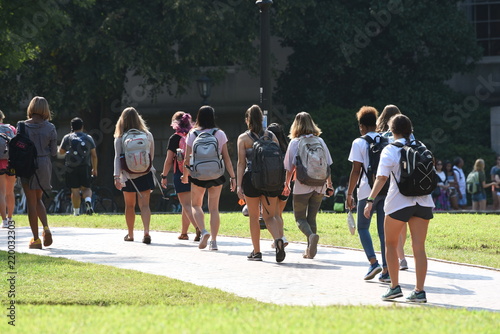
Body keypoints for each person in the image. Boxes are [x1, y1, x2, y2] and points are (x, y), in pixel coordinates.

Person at [364, 114, 434, 303]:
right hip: (424, 202)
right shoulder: (421, 146)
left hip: (399, 202)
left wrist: (370, 200)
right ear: (410, 129)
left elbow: (381, 178)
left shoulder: (390, 149)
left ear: (391, 130)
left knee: (391, 244)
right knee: (419, 247)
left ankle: (394, 287)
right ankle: (419, 291)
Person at [182, 105, 236, 251]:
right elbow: (226, 158)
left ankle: (203, 231)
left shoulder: (192, 134)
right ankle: (214, 242)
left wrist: (185, 175)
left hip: (198, 174)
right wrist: (233, 177)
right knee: (214, 208)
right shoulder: (219, 133)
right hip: (216, 174)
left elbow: (187, 159)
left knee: (196, 205)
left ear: (198, 117)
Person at [236, 107, 285, 262]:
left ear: (247, 120)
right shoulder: (271, 136)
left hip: (251, 180)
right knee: (270, 216)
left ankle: (257, 252)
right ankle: (278, 239)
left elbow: (241, 163)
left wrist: (239, 186)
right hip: (270, 180)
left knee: (254, 217)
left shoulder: (243, 139)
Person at [346, 106, 389, 282]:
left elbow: (355, 171)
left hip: (366, 191)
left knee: (363, 227)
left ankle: (373, 262)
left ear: (362, 126)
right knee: (383, 232)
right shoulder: (386, 141)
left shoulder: (359, 142)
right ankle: (387, 270)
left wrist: (349, 194)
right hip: (385, 190)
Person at [284, 112, 333, 259]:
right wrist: (329, 184)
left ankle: (311, 237)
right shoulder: (320, 141)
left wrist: (286, 184)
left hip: (302, 185)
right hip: (319, 185)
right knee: (312, 218)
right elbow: (328, 165)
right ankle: (310, 251)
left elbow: (289, 167)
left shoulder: (295, 143)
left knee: (299, 218)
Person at [375, 104, 411, 271]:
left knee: (389, 223)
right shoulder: (410, 137)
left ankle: (396, 258)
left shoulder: (379, 136)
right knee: (403, 223)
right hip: (406, 181)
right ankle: (401, 255)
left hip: (386, 181)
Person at [113, 107, 155, 244]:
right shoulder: (147, 135)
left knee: (129, 206)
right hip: (145, 173)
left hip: (127, 175)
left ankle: (130, 234)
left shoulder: (120, 138)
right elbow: (151, 156)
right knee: (145, 205)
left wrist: (116, 177)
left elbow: (117, 158)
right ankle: (146, 232)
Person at [21, 97, 58, 249]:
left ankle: (36, 239)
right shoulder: (51, 127)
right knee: (38, 199)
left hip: (27, 166)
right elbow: (54, 152)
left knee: (31, 202)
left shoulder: (22, 126)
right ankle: (46, 228)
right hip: (44, 165)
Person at [160, 111, 200, 241]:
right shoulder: (194, 135)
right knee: (188, 204)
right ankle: (184, 233)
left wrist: (164, 176)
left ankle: (199, 228)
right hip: (195, 173)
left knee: (187, 204)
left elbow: (168, 160)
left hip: (181, 174)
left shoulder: (175, 138)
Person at [58, 117, 98, 216]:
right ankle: (88, 200)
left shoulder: (67, 137)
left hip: (71, 167)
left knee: (75, 190)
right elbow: (94, 155)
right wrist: (94, 169)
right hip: (85, 166)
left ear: (72, 127)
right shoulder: (88, 138)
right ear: (82, 127)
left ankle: (76, 212)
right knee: (87, 188)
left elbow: (61, 152)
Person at [267, 122, 290, 249]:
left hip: (273, 185)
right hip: (285, 186)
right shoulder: (286, 149)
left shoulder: (269, 150)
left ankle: (280, 238)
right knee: (279, 214)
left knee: (273, 215)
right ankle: (278, 238)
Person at [0, 110, 17, 228]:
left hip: (0, 163)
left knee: (1, 192)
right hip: (12, 162)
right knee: (10, 192)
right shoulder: (11, 128)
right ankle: (10, 218)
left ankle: (4, 221)